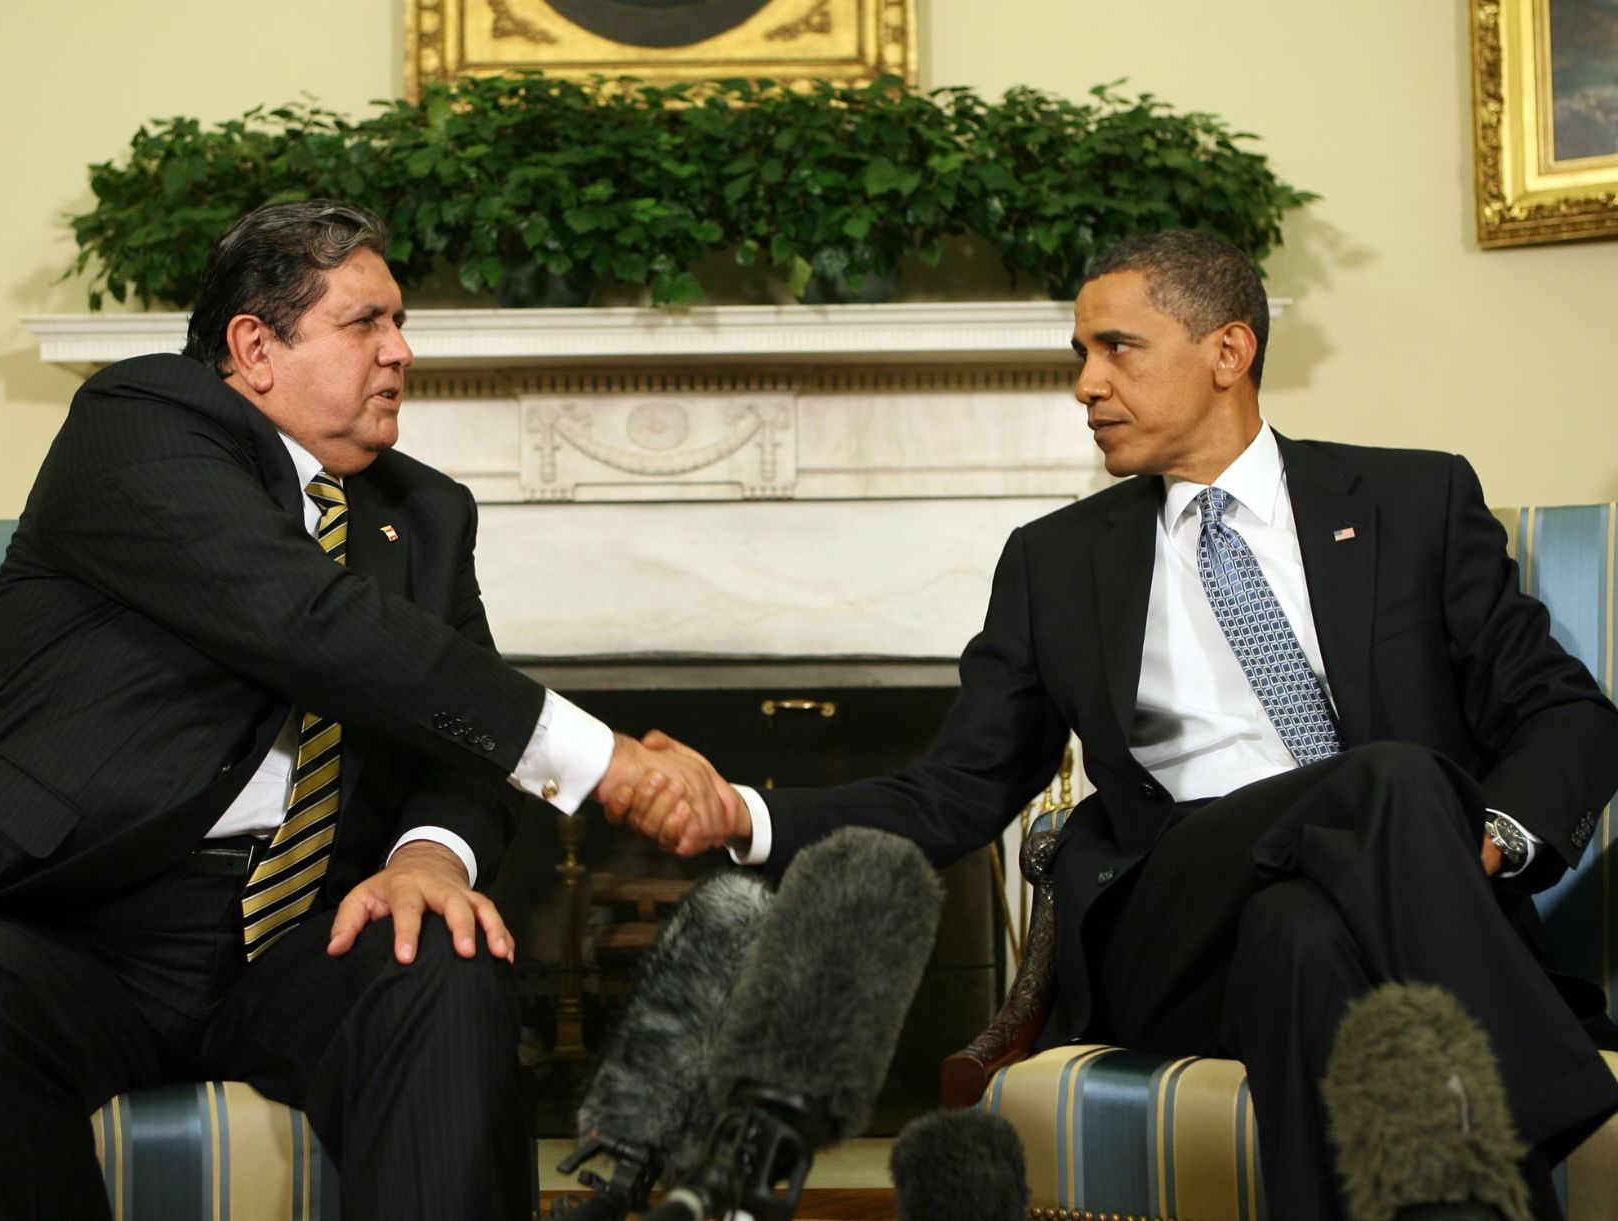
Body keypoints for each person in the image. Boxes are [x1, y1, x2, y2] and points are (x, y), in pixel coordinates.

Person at [611, 230, 1618, 1218]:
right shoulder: (1056, 560)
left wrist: (1494, 842)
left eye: (1117, 348)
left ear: (1229, 352)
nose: (1085, 385)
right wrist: (745, 813)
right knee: (1390, 779)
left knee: (1303, 935)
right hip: (1173, 919)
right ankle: (1546, 1093)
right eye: (1080, 356)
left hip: (1356, 907)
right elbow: (955, 788)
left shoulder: (1413, 500)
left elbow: (1568, 712)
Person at [0, 200, 732, 1220]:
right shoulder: (137, 425)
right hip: (66, 924)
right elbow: (309, 620)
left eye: (401, 323)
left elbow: (457, 740)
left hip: (300, 938)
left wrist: (429, 857)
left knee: (442, 955)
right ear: (253, 347)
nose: (401, 351)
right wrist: (605, 761)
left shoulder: (424, 516)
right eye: (366, 324)